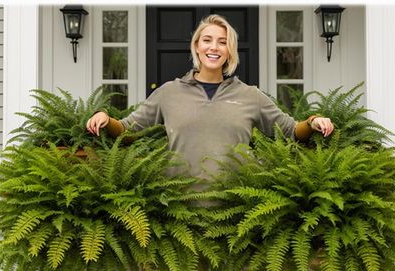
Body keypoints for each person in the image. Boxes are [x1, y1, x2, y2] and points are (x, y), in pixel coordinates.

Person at [86, 14, 334, 180]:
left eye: (222, 42)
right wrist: (105, 118)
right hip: (178, 213)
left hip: (237, 213)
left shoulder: (251, 96)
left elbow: (290, 130)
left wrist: (313, 121)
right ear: (196, 46)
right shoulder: (168, 92)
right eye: (207, 40)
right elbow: (128, 131)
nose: (214, 47)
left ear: (230, 51)